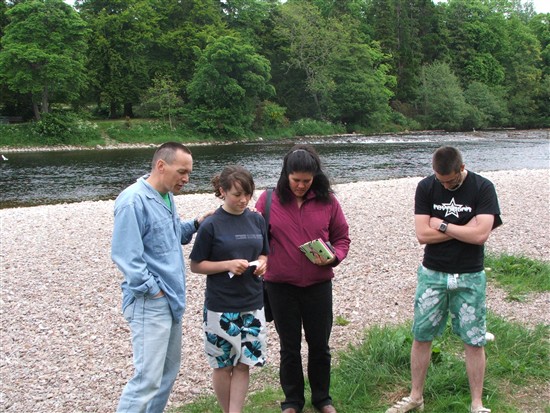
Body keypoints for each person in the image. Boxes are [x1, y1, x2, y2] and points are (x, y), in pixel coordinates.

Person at [386, 146, 502, 413]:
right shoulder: (426, 187)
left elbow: (481, 236)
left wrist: (441, 224)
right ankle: (416, 397)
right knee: (421, 335)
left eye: (450, 181)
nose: (445, 185)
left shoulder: (483, 187)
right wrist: (465, 227)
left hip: (471, 275)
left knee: (474, 340)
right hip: (432, 274)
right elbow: (422, 236)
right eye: (441, 180)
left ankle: (477, 404)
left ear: (462, 168)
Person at [255, 144, 351, 413]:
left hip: (318, 285)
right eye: (296, 180)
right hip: (279, 286)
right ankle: (292, 401)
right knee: (289, 347)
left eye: (306, 181)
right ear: (286, 175)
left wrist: (334, 256)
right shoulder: (268, 200)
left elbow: (342, 238)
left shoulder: (328, 201)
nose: (300, 186)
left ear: (315, 178)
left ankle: (322, 399)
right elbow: (256, 239)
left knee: (320, 345)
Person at [112, 142, 206, 413]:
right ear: (161, 166)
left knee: (166, 376)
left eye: (189, 173)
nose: (186, 179)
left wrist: (197, 223)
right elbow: (126, 255)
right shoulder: (133, 200)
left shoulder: (166, 196)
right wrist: (153, 291)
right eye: (182, 172)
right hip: (151, 302)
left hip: (171, 301)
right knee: (146, 380)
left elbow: (172, 234)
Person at [189, 165, 269, 413]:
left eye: (248, 193)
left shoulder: (257, 219)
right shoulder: (211, 225)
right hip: (221, 307)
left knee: (244, 363)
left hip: (253, 304)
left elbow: (265, 253)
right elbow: (195, 265)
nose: (243, 200)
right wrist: (227, 265)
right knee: (223, 365)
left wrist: (263, 264)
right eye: (236, 194)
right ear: (222, 191)